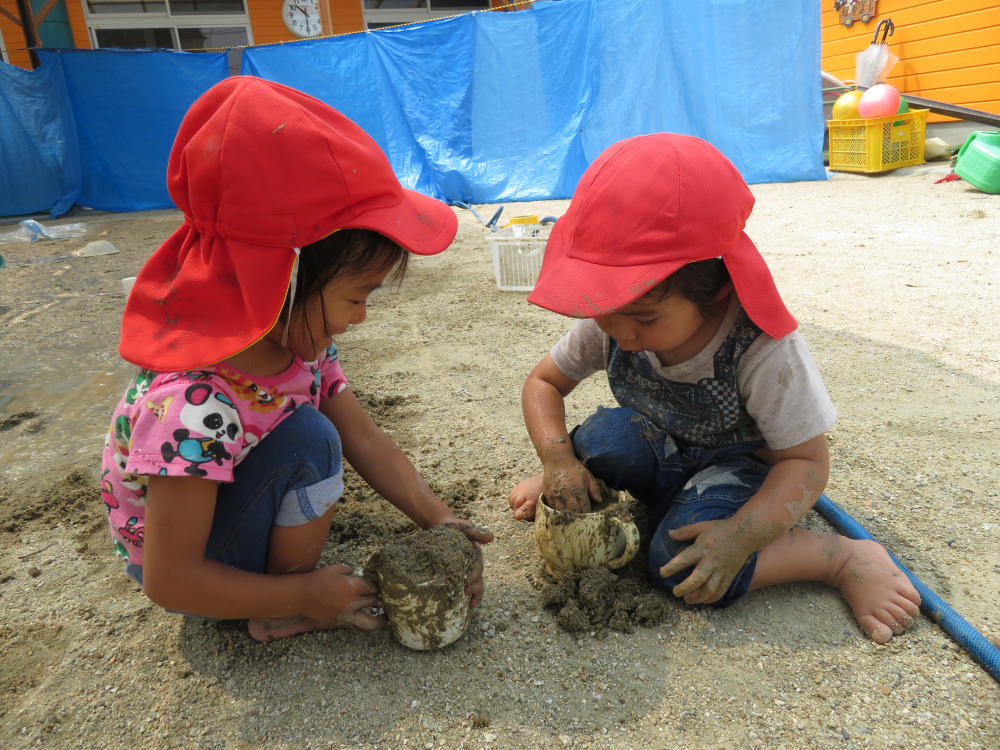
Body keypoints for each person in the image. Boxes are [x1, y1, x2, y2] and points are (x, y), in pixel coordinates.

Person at [101, 78, 492, 643]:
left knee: (320, 434)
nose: (360, 317)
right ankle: (277, 603)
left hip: (226, 517)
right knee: (311, 437)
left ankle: (282, 584)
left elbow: (364, 437)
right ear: (280, 283)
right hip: (192, 567)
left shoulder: (301, 350)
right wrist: (306, 594)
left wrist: (436, 515)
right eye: (356, 297)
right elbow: (169, 579)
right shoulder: (191, 405)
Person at [508, 134, 919, 644]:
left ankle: (836, 558)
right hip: (667, 445)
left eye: (644, 318)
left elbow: (807, 465)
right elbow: (544, 382)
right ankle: (614, 484)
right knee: (598, 438)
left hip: (742, 469)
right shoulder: (617, 314)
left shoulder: (763, 350)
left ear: (715, 286)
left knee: (678, 569)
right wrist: (557, 461)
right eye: (603, 311)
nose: (621, 333)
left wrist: (741, 537)